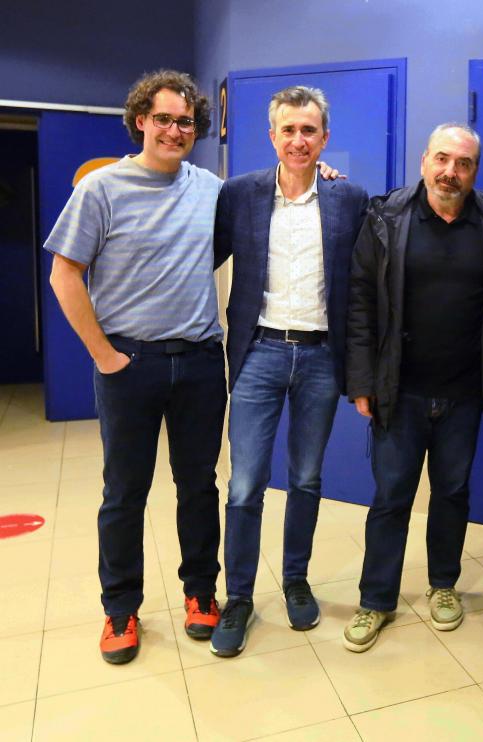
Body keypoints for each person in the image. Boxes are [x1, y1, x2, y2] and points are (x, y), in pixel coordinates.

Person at [46, 70, 227, 664]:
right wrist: (104, 355)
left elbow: (241, 229)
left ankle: (201, 594)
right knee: (125, 492)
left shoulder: (210, 189)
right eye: (164, 118)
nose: (175, 130)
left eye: (186, 121)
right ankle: (120, 609)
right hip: (130, 365)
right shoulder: (101, 189)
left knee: (199, 487)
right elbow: (64, 274)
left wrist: (320, 174)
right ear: (141, 120)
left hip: (200, 361)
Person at [343, 123, 483, 651]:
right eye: (442, 159)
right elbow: (359, 304)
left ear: (475, 172)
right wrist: (361, 380)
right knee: (391, 497)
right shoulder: (386, 217)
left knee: (452, 493)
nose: (451, 172)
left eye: (463, 164)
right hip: (401, 390)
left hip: (465, 393)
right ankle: (376, 599)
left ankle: (444, 585)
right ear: (424, 161)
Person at [209, 86, 369, 657]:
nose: (299, 140)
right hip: (258, 354)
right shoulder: (240, 195)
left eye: (309, 131)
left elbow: (363, 286)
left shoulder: (348, 198)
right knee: (247, 483)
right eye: (288, 130)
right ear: (271, 136)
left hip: (322, 358)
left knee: (305, 478)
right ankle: (239, 597)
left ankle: (296, 580)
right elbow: (199, 255)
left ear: (324, 138)